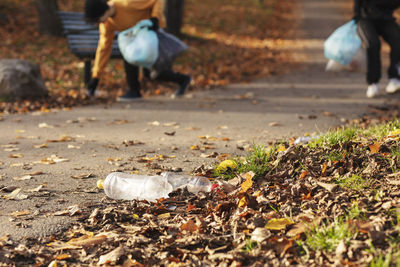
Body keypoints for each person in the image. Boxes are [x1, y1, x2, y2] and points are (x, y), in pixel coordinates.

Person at [84, 0, 191, 101]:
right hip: (135, 42)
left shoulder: (128, 3)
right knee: (130, 56)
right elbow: (104, 48)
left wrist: (155, 18)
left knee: (154, 73)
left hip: (152, 34)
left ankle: (183, 79)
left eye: (97, 20)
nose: (97, 24)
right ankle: (134, 91)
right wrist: (96, 77)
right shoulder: (107, 24)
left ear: (104, 10)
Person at [353, 0, 400, 98]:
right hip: (365, 18)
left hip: (386, 18)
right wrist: (357, 15)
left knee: (397, 40)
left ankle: (394, 78)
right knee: (373, 44)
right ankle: (373, 83)